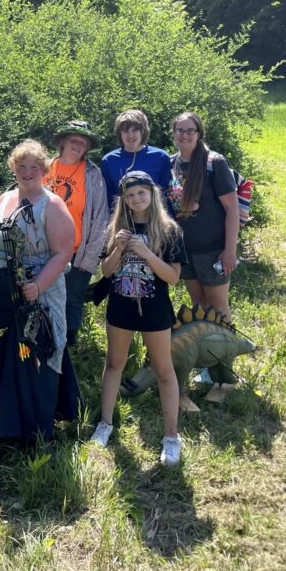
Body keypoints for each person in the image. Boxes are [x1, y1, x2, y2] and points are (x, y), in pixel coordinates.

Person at [0, 140, 80, 442]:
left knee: (35, 353)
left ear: (44, 171)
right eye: (21, 166)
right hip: (1, 296)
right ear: (13, 168)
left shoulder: (51, 204)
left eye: (34, 167)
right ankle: (3, 423)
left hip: (38, 294)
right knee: (4, 355)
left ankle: (36, 430)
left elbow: (63, 253)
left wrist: (38, 285)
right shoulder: (5, 197)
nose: (27, 172)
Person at [91, 171, 187, 465]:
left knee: (163, 370)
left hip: (155, 308)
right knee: (114, 364)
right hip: (121, 306)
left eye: (141, 193)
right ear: (124, 199)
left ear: (152, 193)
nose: (136, 199)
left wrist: (147, 253)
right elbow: (106, 271)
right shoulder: (117, 229)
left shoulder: (169, 230)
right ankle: (105, 424)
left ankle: (171, 437)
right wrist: (118, 249)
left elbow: (173, 278)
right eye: (130, 195)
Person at [167, 111, 239, 323]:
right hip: (186, 249)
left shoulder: (213, 162)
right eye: (180, 130)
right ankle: (206, 344)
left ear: (199, 134)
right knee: (198, 303)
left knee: (218, 306)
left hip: (213, 250)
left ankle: (226, 344)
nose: (184, 135)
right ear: (173, 133)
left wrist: (230, 250)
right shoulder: (170, 164)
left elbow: (232, 208)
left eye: (190, 130)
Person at [44, 120, 108, 348]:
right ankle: (42, 345)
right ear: (63, 141)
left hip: (76, 252)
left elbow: (100, 218)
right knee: (42, 297)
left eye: (83, 142)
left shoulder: (92, 174)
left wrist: (89, 259)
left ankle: (68, 351)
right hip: (42, 249)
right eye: (74, 140)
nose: (78, 145)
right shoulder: (43, 167)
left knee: (71, 301)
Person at [101, 110, 172, 212]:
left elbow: (165, 196)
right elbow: (109, 199)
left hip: (155, 216)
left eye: (135, 130)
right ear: (120, 134)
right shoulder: (109, 161)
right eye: (125, 131)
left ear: (143, 131)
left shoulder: (161, 157)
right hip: (123, 218)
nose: (130, 135)